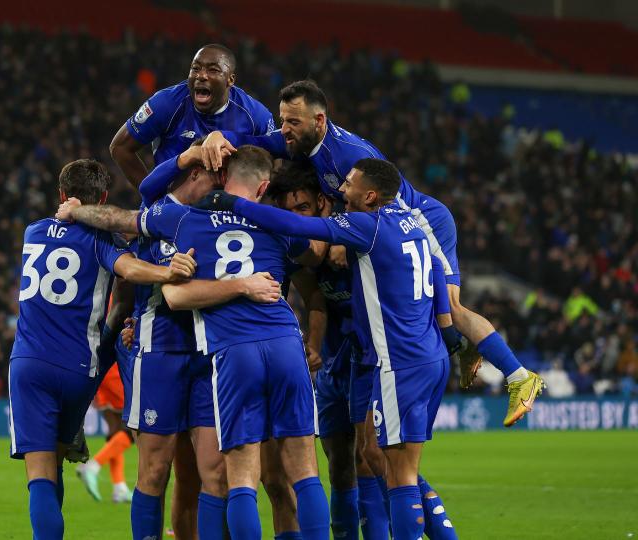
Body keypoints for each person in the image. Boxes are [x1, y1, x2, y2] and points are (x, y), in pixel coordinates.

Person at [200, 80, 545, 426]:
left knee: (451, 306)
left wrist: (341, 237)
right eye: (283, 120)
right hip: (389, 228)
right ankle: (462, 346)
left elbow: (388, 205)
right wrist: (216, 139)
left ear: (319, 121)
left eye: (293, 122)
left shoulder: (351, 154)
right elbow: (256, 142)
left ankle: (518, 376)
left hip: (421, 222)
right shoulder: (301, 142)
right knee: (436, 308)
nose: (284, 129)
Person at [204, 158, 457, 540]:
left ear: (326, 203)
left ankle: (438, 534)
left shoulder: (359, 229)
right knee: (346, 461)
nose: (343, 187)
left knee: (381, 460)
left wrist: (235, 205)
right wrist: (448, 331)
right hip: (363, 362)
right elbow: (436, 269)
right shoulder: (402, 224)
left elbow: (301, 228)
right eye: (288, 207)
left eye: (303, 206)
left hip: (382, 361)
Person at [57, 146, 288, 540]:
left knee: (214, 471)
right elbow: (120, 233)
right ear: (197, 174)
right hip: (158, 353)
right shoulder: (163, 213)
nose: (223, 186)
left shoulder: (224, 220)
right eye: (217, 177)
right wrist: (76, 211)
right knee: (155, 469)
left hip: (209, 356)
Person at [8, 159, 200, 540]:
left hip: (29, 364)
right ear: (105, 199)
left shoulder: (34, 231)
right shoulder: (101, 241)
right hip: (80, 367)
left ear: (62, 196)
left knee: (41, 476)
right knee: (59, 460)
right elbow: (129, 270)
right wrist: (169, 272)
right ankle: (76, 435)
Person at [110, 44, 274, 188]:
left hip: (224, 213)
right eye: (195, 68)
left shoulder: (257, 116)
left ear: (230, 80)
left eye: (213, 70)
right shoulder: (166, 103)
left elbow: (274, 166)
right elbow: (120, 148)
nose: (201, 75)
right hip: (171, 209)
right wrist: (154, 198)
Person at [75, 361, 134, 503]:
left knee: (115, 429)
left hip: (97, 371)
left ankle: (119, 487)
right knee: (133, 428)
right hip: (115, 369)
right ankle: (92, 466)